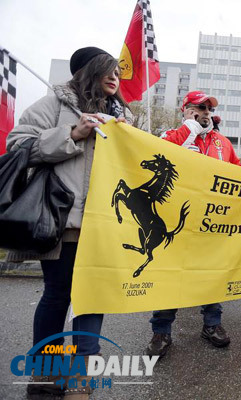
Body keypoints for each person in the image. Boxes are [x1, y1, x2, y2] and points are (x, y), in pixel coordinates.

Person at [6, 46, 131, 399]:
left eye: (118, 73)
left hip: (106, 225)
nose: (114, 77)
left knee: (94, 297)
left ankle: (81, 379)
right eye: (107, 70)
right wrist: (72, 135)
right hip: (66, 222)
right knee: (59, 294)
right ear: (87, 72)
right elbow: (17, 146)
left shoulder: (126, 117)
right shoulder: (52, 106)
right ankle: (46, 376)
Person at [146, 91, 241, 357]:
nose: (206, 112)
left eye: (209, 108)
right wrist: (189, 129)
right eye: (200, 107)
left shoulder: (222, 142)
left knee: (211, 273)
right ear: (186, 109)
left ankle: (212, 324)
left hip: (211, 221)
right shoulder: (170, 136)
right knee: (170, 274)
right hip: (174, 218)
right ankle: (161, 331)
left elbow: (238, 171)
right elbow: (156, 159)